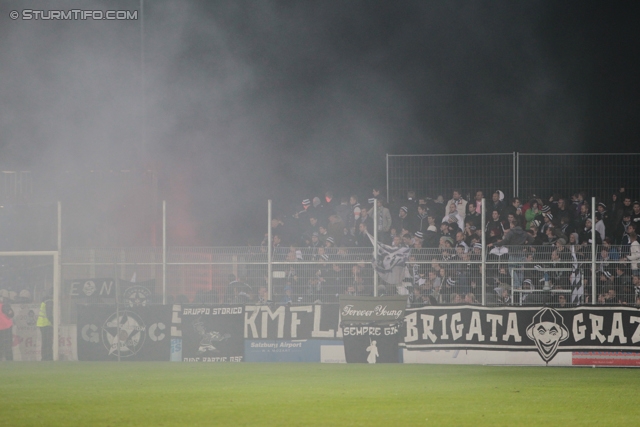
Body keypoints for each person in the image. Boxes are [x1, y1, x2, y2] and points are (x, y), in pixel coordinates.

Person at [37, 291, 54, 361]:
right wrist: (53, 322)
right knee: (48, 342)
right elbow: (49, 314)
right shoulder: (49, 301)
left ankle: (45, 357)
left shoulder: (45, 300)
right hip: (46, 324)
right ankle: (48, 357)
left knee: (45, 342)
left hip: (42, 324)